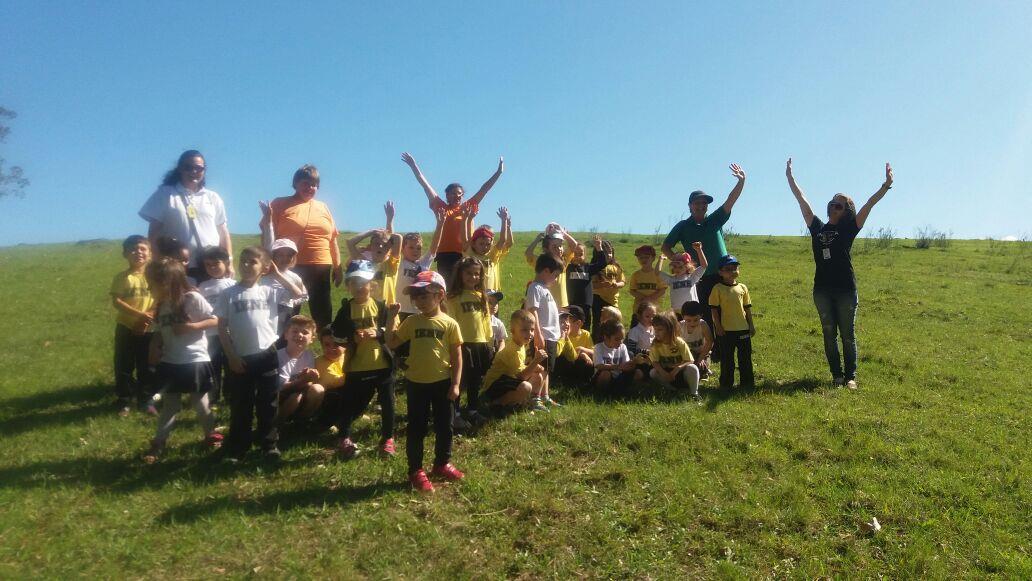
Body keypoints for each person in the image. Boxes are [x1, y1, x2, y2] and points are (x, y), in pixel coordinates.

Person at [787, 158, 894, 389]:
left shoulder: (849, 229)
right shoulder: (816, 227)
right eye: (832, 203)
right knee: (828, 334)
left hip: (846, 289)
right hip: (822, 290)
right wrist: (791, 179)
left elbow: (869, 204)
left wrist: (885, 185)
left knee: (847, 335)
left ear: (846, 212)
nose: (833, 206)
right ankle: (836, 376)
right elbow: (802, 202)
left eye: (839, 205)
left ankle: (850, 377)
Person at [215, 246, 304, 462]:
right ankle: (238, 447)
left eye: (252, 262)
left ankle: (269, 444)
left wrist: (276, 273)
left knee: (268, 403)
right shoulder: (228, 293)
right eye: (243, 261)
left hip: (266, 355)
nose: (246, 265)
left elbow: (298, 293)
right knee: (241, 404)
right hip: (240, 358)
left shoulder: (269, 291)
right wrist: (231, 357)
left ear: (263, 267)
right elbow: (221, 328)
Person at [386, 270, 465, 493]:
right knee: (416, 428)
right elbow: (391, 343)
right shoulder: (411, 322)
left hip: (443, 384)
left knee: (444, 427)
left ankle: (442, 463)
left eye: (424, 295)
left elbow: (457, 356)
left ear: (440, 295)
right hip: (416, 384)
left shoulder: (450, 324)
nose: (418, 301)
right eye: (416, 297)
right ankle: (415, 470)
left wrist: (456, 384)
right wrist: (392, 317)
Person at [142, 258, 222, 463]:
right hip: (170, 362)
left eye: (152, 283)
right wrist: (154, 345)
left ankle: (211, 436)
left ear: (168, 281)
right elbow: (160, 331)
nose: (149, 287)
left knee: (200, 403)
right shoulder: (162, 305)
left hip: (195, 361)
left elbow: (215, 319)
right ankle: (159, 443)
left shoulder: (192, 298)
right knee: (170, 406)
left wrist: (192, 327)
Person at [661, 163, 747, 339]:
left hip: (722, 274)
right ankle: (710, 348)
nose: (701, 205)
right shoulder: (683, 226)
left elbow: (731, 200)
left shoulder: (715, 219)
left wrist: (741, 181)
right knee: (705, 313)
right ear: (690, 205)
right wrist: (679, 262)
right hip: (699, 277)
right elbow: (665, 247)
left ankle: (727, 345)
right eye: (697, 203)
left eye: (704, 203)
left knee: (727, 310)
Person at [259, 164, 342, 329]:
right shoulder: (280, 203)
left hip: (321, 266)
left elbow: (333, 239)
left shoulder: (323, 207)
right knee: (288, 312)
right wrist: (267, 261)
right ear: (295, 183)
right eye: (305, 183)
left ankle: (329, 351)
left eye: (314, 184)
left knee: (323, 315)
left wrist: (338, 267)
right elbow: (267, 234)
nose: (310, 187)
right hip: (290, 266)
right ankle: (283, 350)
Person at [330, 260, 396, 459]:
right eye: (354, 282)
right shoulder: (345, 309)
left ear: (372, 284)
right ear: (348, 286)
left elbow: (390, 333)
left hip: (382, 365)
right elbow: (336, 335)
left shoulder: (380, 306)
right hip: (356, 367)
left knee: (388, 403)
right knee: (351, 403)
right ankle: (344, 437)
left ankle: (387, 439)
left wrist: (376, 332)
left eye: (363, 282)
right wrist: (352, 337)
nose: (359, 286)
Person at [401, 152, 504, 279]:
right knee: (449, 288)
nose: (457, 196)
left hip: (466, 253)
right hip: (445, 255)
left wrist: (498, 172)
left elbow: (484, 189)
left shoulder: (468, 207)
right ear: (447, 195)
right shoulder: (441, 207)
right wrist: (413, 166)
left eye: (459, 193)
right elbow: (425, 185)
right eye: (453, 193)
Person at [139, 150, 232, 283]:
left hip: (211, 266)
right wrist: (158, 263)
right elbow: (153, 233)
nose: (193, 171)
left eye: (199, 168)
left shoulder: (213, 197)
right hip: (178, 267)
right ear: (180, 169)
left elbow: (223, 232)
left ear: (204, 170)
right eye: (188, 167)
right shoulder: (165, 194)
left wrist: (229, 262)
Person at [110, 235, 156, 416]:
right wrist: (139, 316)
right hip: (126, 327)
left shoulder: (154, 276)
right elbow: (117, 301)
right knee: (124, 364)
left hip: (149, 328)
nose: (139, 252)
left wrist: (148, 318)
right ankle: (124, 400)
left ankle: (145, 399)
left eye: (143, 249)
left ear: (150, 253)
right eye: (133, 249)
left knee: (147, 365)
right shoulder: (122, 277)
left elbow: (160, 298)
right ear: (125, 254)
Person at [446, 257, 494, 428]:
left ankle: (473, 410)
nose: (473, 277)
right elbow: (451, 320)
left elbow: (486, 320)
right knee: (460, 379)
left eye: (476, 274)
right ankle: (455, 413)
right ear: (460, 274)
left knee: (475, 379)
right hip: (462, 343)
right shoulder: (453, 298)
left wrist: (489, 340)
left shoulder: (482, 296)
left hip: (480, 343)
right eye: (469, 273)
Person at [481, 309, 546, 411]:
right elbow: (522, 376)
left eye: (532, 330)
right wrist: (535, 361)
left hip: (506, 381)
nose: (530, 334)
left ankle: (533, 401)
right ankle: (496, 404)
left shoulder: (521, 345)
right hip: (493, 387)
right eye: (524, 330)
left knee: (537, 376)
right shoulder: (512, 350)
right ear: (512, 331)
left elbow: (518, 370)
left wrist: (534, 367)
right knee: (526, 387)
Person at [708, 255, 755, 389]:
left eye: (735, 268)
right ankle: (726, 385)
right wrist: (718, 326)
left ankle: (747, 383)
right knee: (727, 359)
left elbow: (747, 308)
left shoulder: (743, 287)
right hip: (726, 331)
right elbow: (714, 310)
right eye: (728, 269)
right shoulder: (717, 288)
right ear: (720, 272)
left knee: (745, 358)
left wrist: (751, 325)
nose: (732, 271)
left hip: (743, 329)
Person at [197, 245, 236, 405]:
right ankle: (213, 397)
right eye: (208, 265)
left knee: (230, 364)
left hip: (229, 333)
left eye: (216, 263)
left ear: (226, 263)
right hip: (210, 334)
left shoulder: (233, 284)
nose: (212, 267)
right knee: (213, 365)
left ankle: (230, 395)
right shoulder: (203, 286)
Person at [525, 254, 564, 411]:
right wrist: (538, 334)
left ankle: (544, 396)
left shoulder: (544, 289)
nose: (556, 279)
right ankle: (535, 398)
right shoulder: (535, 288)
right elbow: (533, 311)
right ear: (546, 271)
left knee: (547, 368)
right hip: (543, 336)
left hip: (551, 336)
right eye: (555, 275)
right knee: (540, 368)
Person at [396, 208, 446, 321]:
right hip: (399, 310)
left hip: (418, 311)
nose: (415, 251)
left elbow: (434, 247)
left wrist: (440, 224)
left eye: (418, 248)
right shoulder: (399, 263)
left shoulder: (423, 264)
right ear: (402, 249)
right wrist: (390, 220)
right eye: (411, 247)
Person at [276, 315, 325, 421]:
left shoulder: (309, 355)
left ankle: (301, 421)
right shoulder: (278, 356)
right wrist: (303, 380)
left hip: (299, 390)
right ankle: (276, 424)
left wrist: (311, 377)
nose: (299, 335)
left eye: (305, 332)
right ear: (286, 335)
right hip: (278, 396)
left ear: (312, 339)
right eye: (295, 331)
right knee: (295, 397)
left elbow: (309, 383)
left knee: (318, 389)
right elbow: (280, 387)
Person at [260, 238, 309, 343]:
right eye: (280, 255)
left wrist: (292, 301)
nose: (285, 258)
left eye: (289, 255)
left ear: (294, 258)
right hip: (264, 309)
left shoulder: (295, 277)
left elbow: (303, 295)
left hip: (284, 312)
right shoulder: (263, 274)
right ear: (273, 256)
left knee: (282, 340)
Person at [650, 311, 701, 402]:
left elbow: (689, 360)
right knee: (653, 372)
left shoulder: (679, 342)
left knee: (692, 368)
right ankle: (672, 390)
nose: (656, 333)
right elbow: (654, 362)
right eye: (655, 330)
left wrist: (677, 368)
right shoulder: (655, 345)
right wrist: (663, 373)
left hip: (680, 373)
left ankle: (694, 393)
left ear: (669, 329)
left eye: (660, 330)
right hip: (667, 374)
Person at [524, 223, 578, 307]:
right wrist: (537, 239)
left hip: (562, 304)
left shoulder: (564, 260)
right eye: (554, 247)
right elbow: (528, 253)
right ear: (546, 249)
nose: (559, 249)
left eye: (560, 246)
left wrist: (563, 233)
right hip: (546, 303)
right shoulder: (542, 261)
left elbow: (574, 245)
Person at [462, 206, 513, 292]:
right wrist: (466, 219)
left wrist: (504, 221)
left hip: (491, 295)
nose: (485, 247)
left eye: (488, 244)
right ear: (473, 244)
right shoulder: (470, 255)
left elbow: (503, 240)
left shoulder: (492, 255)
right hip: (474, 293)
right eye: (481, 244)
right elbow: (464, 238)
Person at [565, 235, 608, 332]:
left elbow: (602, 263)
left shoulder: (588, 268)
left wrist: (598, 247)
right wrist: (569, 242)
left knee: (585, 327)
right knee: (570, 327)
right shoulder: (567, 268)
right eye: (575, 254)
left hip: (585, 304)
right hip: (571, 303)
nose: (578, 257)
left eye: (581, 254)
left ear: (585, 255)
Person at [591, 320, 641, 394]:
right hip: (604, 378)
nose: (620, 342)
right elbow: (599, 366)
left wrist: (634, 362)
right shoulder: (598, 347)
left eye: (622, 339)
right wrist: (618, 367)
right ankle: (602, 393)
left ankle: (623, 391)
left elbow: (626, 364)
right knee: (605, 374)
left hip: (619, 377)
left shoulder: (622, 347)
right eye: (617, 339)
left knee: (638, 373)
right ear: (606, 337)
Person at [591, 239, 625, 342]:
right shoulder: (596, 267)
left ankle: (613, 342)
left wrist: (616, 284)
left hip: (613, 301)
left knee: (614, 324)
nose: (609, 255)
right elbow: (591, 285)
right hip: (598, 299)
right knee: (598, 323)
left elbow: (623, 281)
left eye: (610, 252)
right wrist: (601, 285)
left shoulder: (616, 267)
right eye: (605, 253)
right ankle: (597, 343)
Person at [660, 243, 708, 315]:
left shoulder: (692, 277)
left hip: (692, 309)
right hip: (677, 311)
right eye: (675, 266)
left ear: (687, 267)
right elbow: (657, 272)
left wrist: (699, 250)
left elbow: (704, 266)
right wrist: (660, 260)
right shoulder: (671, 280)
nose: (677, 269)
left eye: (680, 267)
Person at [314, 327, 347, 429]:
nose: (332, 348)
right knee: (334, 396)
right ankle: (329, 422)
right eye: (327, 345)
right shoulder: (318, 362)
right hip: (328, 396)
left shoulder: (348, 357)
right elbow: (332, 381)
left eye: (337, 345)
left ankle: (350, 415)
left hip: (345, 392)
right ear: (321, 345)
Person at [554, 308, 594, 387]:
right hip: (565, 362)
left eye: (568, 321)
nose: (566, 324)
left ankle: (581, 381)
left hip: (574, 362)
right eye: (563, 321)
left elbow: (593, 352)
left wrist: (582, 350)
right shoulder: (560, 334)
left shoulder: (585, 334)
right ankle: (560, 379)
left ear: (578, 323)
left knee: (585, 360)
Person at [628, 245, 667, 325]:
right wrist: (643, 298)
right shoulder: (636, 275)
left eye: (646, 257)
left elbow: (662, 290)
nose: (643, 260)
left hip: (654, 311)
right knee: (635, 332)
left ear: (653, 258)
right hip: (638, 311)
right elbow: (632, 290)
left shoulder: (657, 274)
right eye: (640, 258)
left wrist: (649, 298)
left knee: (654, 333)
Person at [679, 301, 714, 380]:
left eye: (696, 320)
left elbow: (710, 342)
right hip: (686, 354)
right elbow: (675, 343)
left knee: (699, 368)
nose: (692, 323)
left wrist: (700, 358)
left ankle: (705, 369)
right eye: (688, 320)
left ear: (701, 316)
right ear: (683, 317)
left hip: (701, 353)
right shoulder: (679, 326)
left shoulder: (703, 325)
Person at [626, 302, 657, 378]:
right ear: (640, 317)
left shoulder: (656, 330)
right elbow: (631, 350)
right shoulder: (635, 331)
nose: (651, 319)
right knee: (639, 374)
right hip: (639, 362)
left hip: (654, 361)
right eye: (647, 316)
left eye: (653, 316)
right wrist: (646, 352)